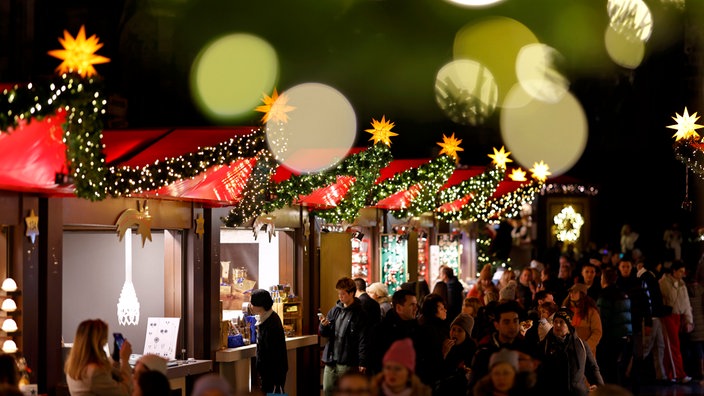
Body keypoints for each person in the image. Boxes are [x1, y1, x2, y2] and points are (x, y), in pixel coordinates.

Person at [536, 308, 604, 396]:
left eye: (561, 322)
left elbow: (592, 368)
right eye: (555, 321)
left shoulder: (581, 345)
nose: (557, 325)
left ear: (569, 325)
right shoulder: (544, 346)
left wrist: (600, 388)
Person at [320, 277, 370, 396]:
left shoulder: (360, 314)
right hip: (331, 358)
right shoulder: (335, 310)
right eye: (339, 293)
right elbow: (325, 334)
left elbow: (363, 339)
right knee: (327, 390)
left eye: (343, 293)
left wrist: (363, 361)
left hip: (348, 360)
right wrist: (323, 326)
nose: (340, 296)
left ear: (351, 293)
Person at [468, 300, 531, 392]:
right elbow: (473, 388)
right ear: (497, 325)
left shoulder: (526, 349)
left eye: (515, 321)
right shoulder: (484, 353)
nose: (512, 326)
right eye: (506, 322)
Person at [64, 319, 133, 395]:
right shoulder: (95, 372)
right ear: (98, 342)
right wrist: (125, 360)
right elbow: (124, 392)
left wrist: (115, 357)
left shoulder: (74, 367)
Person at [596, 267, 632, 387]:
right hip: (624, 337)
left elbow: (602, 320)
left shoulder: (605, 296)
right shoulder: (623, 294)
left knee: (609, 371)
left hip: (610, 339)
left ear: (604, 279)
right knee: (619, 369)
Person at [659, 260, 694, 383]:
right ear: (674, 271)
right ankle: (678, 374)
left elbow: (686, 303)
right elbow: (670, 297)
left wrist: (689, 320)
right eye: (680, 271)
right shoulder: (665, 283)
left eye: (683, 272)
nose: (682, 274)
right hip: (669, 316)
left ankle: (672, 374)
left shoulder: (682, 284)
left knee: (673, 345)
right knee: (673, 345)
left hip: (678, 317)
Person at [372, 289, 419, 374]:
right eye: (412, 305)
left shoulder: (417, 327)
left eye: (416, 304)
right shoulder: (383, 331)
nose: (416, 308)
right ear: (399, 308)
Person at [250, 288, 288, 393]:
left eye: (252, 303)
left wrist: (277, 379)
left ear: (260, 305)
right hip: (267, 373)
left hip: (274, 375)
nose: (251, 306)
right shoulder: (264, 319)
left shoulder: (272, 322)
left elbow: (276, 352)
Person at [435, 313, 476, 394]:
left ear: (466, 334)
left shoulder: (472, 349)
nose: (455, 333)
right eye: (453, 329)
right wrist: (444, 353)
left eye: (460, 330)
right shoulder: (444, 344)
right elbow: (437, 372)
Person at [415, 293, 448, 386]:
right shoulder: (431, 330)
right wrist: (444, 352)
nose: (445, 310)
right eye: (441, 309)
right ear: (433, 312)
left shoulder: (435, 326)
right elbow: (433, 359)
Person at [562, 283, 602, 356]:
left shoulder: (591, 312)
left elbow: (597, 332)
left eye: (575, 292)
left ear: (582, 294)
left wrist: (585, 347)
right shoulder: (565, 310)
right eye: (570, 292)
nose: (571, 294)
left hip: (585, 354)